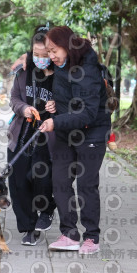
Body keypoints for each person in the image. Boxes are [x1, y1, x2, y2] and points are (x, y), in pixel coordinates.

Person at [39, 26, 111, 255]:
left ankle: (92, 237)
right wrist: (55, 105)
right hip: (66, 131)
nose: (51, 56)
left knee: (86, 185)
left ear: (67, 46)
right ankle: (69, 234)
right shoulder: (61, 65)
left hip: (92, 131)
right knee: (60, 181)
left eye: (54, 50)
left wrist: (55, 122)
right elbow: (67, 97)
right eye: (48, 52)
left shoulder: (87, 68)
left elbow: (87, 112)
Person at [8, 25, 57, 246]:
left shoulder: (61, 74)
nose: (40, 59)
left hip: (47, 135)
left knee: (40, 176)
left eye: (45, 55)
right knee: (18, 181)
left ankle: (47, 207)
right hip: (22, 133)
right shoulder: (23, 71)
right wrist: (24, 108)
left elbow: (70, 101)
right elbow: (14, 99)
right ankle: (28, 227)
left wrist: (57, 105)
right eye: (36, 54)